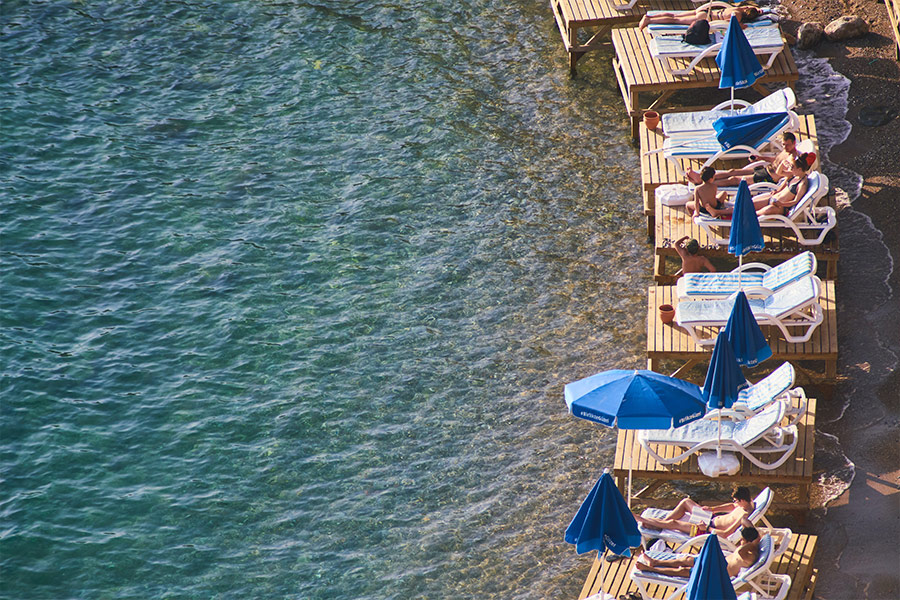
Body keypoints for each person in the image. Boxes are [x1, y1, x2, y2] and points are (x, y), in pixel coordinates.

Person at [634, 526, 761, 578]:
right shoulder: (750, 547)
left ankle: (651, 569)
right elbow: (745, 521)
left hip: (716, 573)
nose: (740, 542)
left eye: (743, 540)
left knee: (682, 571)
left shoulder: (748, 555)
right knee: (686, 559)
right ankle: (655, 562)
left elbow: (741, 551)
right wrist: (755, 537)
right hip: (715, 563)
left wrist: (751, 542)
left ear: (748, 541)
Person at [635, 486, 755, 539]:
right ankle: (661, 524)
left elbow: (725, 533)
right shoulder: (749, 502)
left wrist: (706, 528)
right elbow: (731, 506)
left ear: (742, 500)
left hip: (706, 528)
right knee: (686, 502)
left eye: (736, 501)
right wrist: (712, 509)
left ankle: (644, 520)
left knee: (674, 523)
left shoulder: (743, 516)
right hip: (711, 518)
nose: (735, 503)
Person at [685, 132, 800, 187]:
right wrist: (760, 158)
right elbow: (776, 160)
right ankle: (701, 177)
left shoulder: (793, 157)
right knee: (732, 171)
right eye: (783, 144)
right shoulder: (786, 151)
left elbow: (792, 173)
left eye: (788, 145)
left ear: (794, 143)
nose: (785, 147)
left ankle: (705, 183)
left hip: (768, 178)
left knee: (734, 179)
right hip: (765, 170)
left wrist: (781, 173)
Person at [638, 2, 762, 31]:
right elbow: (729, 24)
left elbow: (751, 8)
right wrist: (741, 25)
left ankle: (650, 16)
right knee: (676, 20)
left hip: (705, 10)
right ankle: (649, 20)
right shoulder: (738, 15)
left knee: (675, 15)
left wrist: (758, 10)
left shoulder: (738, 8)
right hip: (705, 18)